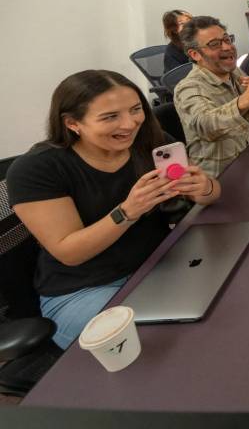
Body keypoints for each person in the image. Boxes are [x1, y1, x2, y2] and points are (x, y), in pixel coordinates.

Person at [7, 70, 221, 349]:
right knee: (165, 346)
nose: (130, 123)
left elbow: (213, 193)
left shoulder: (151, 142)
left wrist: (203, 187)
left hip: (156, 267)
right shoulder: (37, 169)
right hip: (83, 290)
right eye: (110, 117)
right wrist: (127, 211)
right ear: (73, 123)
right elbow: (69, 252)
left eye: (135, 110)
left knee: (222, 308)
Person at [174, 16, 249, 176]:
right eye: (215, 44)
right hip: (219, 177)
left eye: (227, 39)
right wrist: (245, 100)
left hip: (248, 161)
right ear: (195, 54)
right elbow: (205, 126)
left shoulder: (234, 73)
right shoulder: (188, 88)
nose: (227, 47)